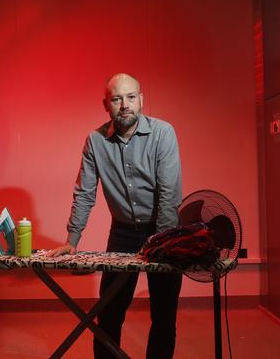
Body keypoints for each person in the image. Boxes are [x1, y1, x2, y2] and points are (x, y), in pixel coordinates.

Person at [47, 73, 183, 358]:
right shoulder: (95, 141)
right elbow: (85, 193)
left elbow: (169, 194)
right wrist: (72, 240)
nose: (125, 105)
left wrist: (163, 242)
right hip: (122, 233)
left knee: (164, 315)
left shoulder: (163, 133)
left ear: (141, 100)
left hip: (164, 231)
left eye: (131, 97)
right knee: (109, 314)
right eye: (117, 99)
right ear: (106, 104)